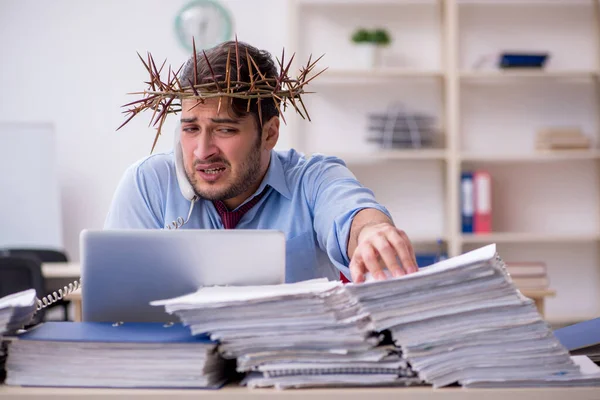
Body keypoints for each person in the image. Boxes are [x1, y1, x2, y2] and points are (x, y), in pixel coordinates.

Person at [105, 40, 418, 284]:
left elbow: (351, 213)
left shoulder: (312, 179)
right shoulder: (148, 184)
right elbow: (115, 301)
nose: (202, 151)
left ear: (269, 133)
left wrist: (372, 233)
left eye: (224, 129)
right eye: (190, 128)